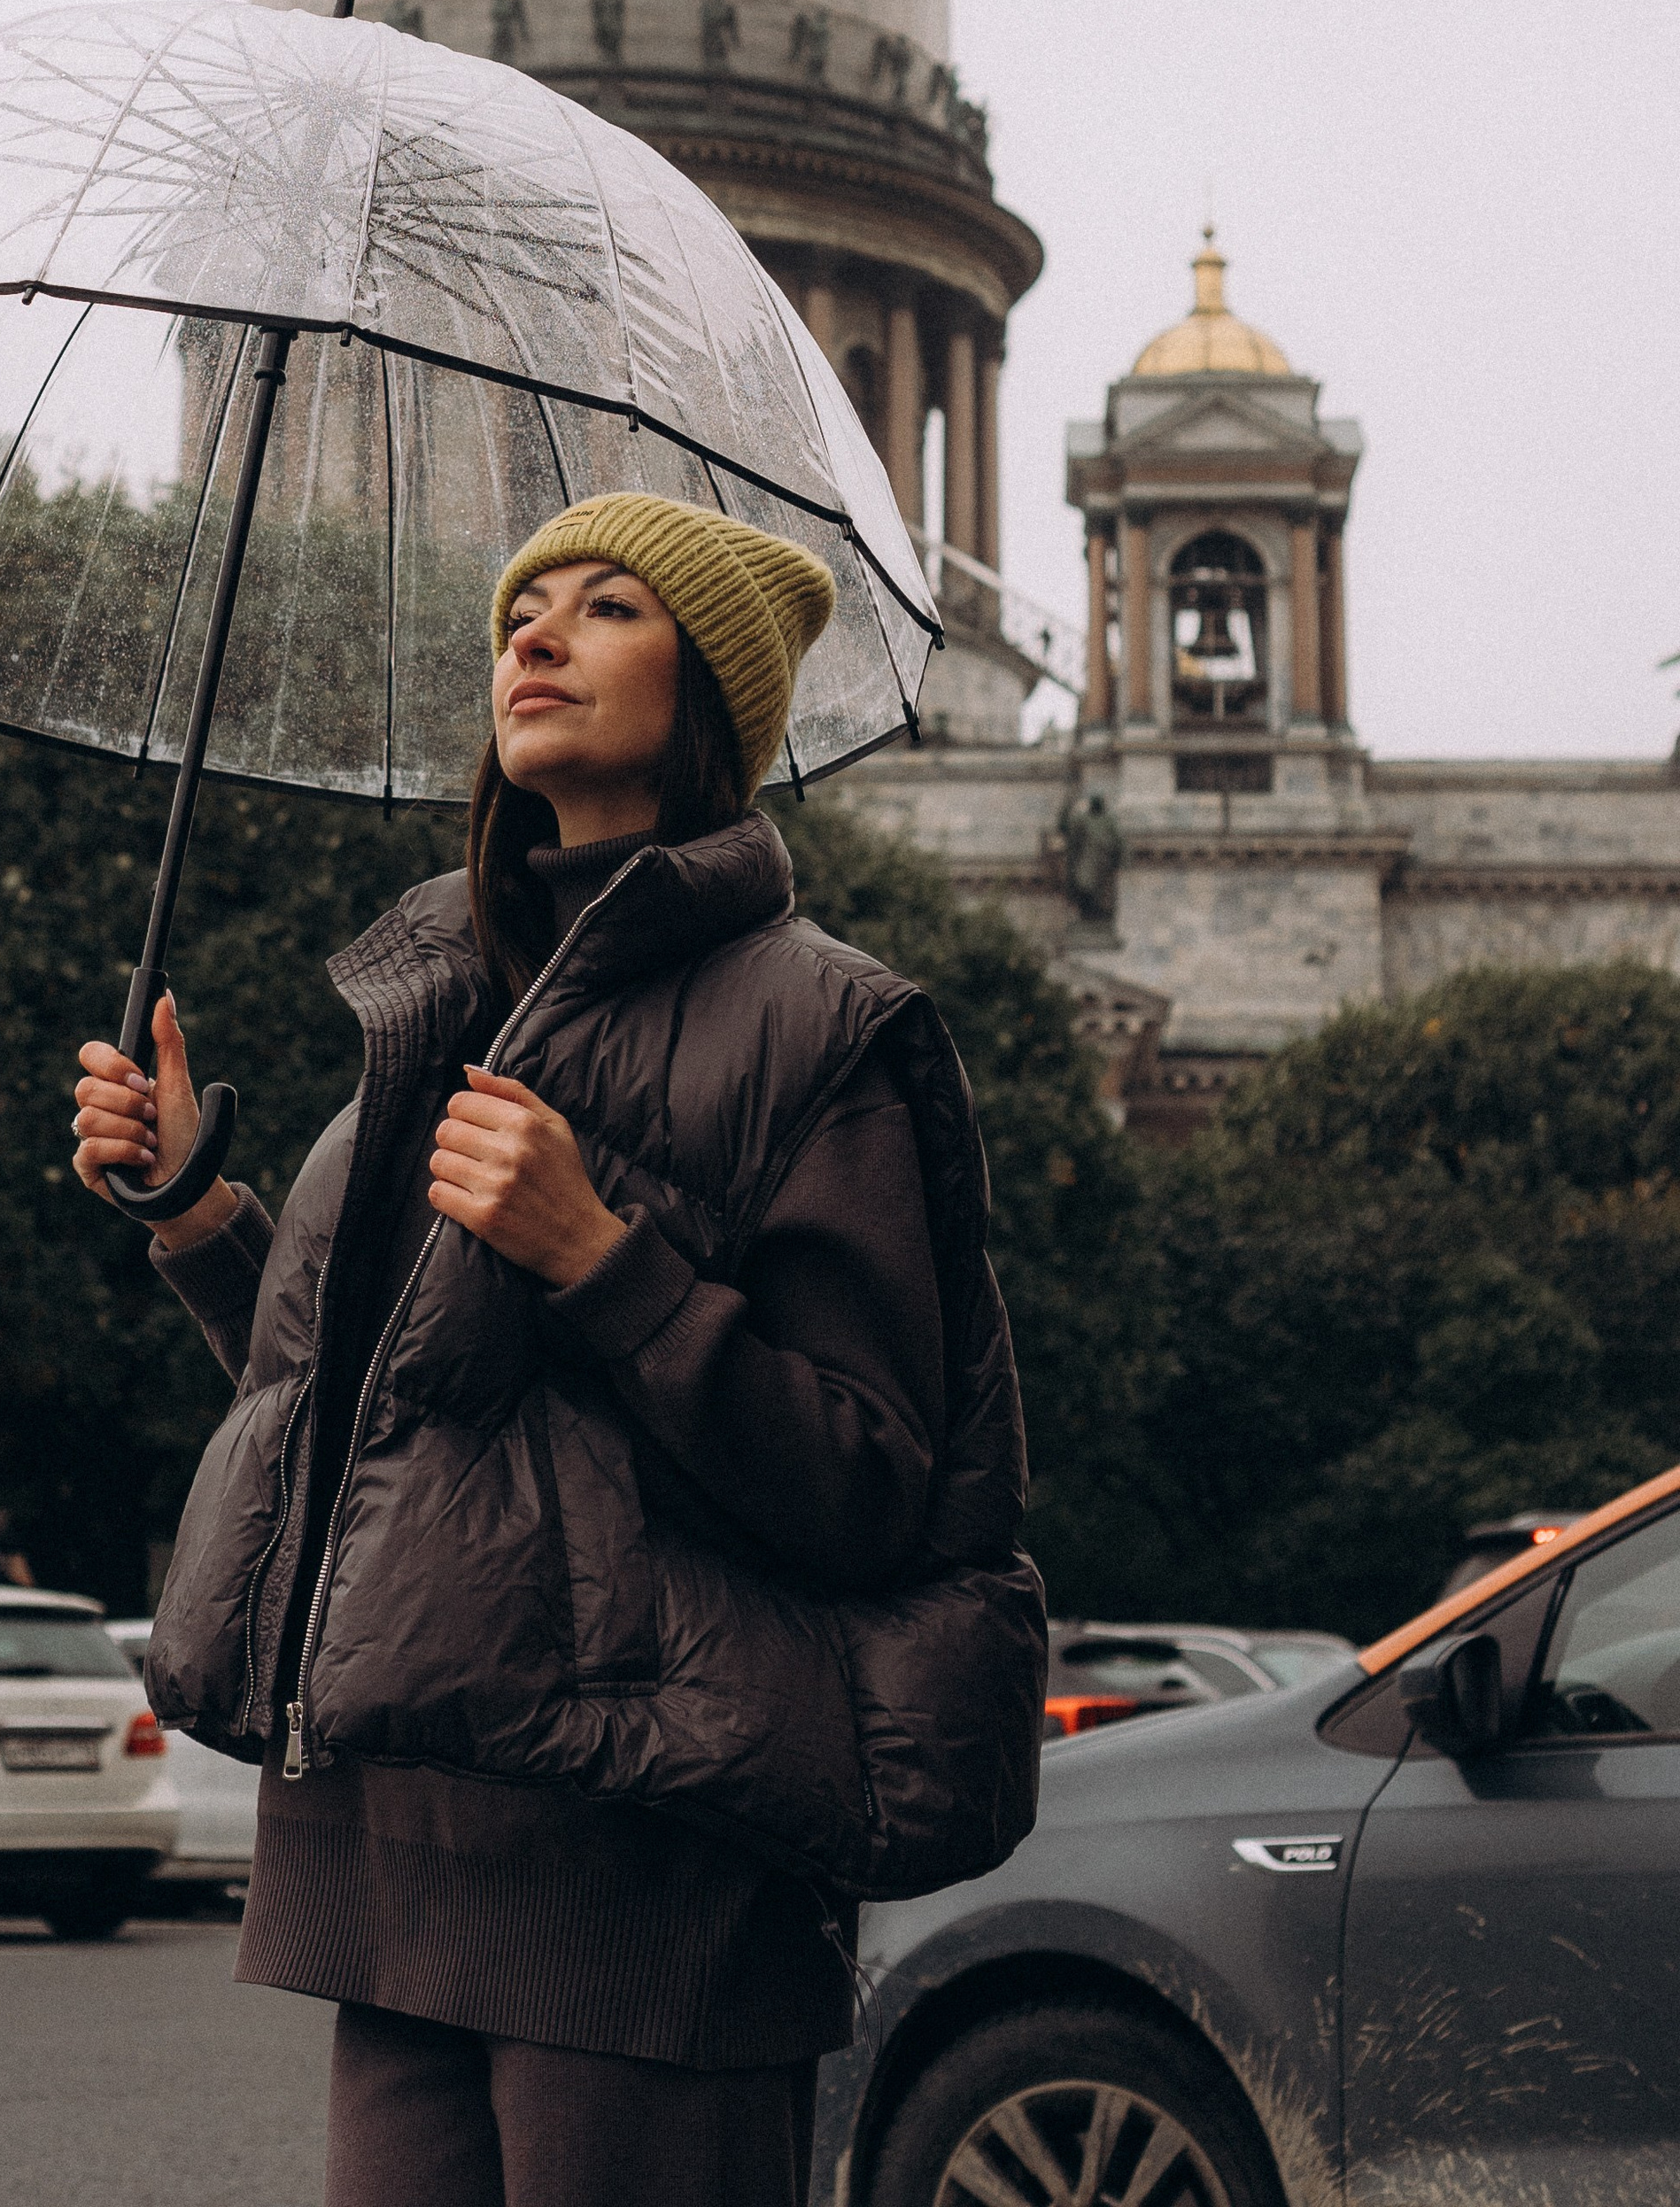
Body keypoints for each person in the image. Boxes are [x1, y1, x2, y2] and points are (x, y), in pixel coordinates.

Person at [73, 493, 1041, 2207]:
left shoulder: (824, 1024)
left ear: (714, 702)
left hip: (642, 1861)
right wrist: (192, 1205)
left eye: (607, 609)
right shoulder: (440, 994)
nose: (533, 635)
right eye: (524, 607)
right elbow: (378, 1430)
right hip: (394, 1835)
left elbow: (875, 1490)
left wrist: (604, 1260)